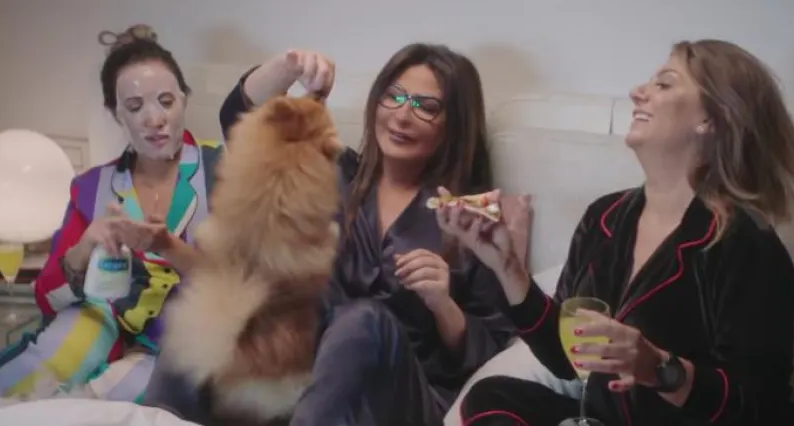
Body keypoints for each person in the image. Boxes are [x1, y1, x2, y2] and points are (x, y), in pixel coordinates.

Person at [142, 44, 516, 426]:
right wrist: (287, 67)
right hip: (308, 385)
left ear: (454, 124)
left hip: (403, 400)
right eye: (394, 96)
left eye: (426, 106)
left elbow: (493, 352)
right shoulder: (331, 173)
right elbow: (239, 118)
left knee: (364, 320)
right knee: (204, 296)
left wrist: (443, 304)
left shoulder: (469, 217)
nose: (402, 115)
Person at [446, 39, 794, 426]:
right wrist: (508, 267)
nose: (637, 92)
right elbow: (568, 359)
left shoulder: (746, 244)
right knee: (491, 399)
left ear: (710, 119)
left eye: (664, 84)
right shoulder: (606, 217)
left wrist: (660, 368)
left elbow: (759, 406)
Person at [0, 24, 222, 402]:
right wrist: (84, 247)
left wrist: (168, 246)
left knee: (103, 407)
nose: (154, 118)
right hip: (100, 318)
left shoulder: (224, 172)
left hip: (185, 337)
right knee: (16, 383)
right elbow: (49, 298)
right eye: (135, 107)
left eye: (166, 101)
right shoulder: (92, 187)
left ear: (184, 100)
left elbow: (245, 283)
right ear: (116, 115)